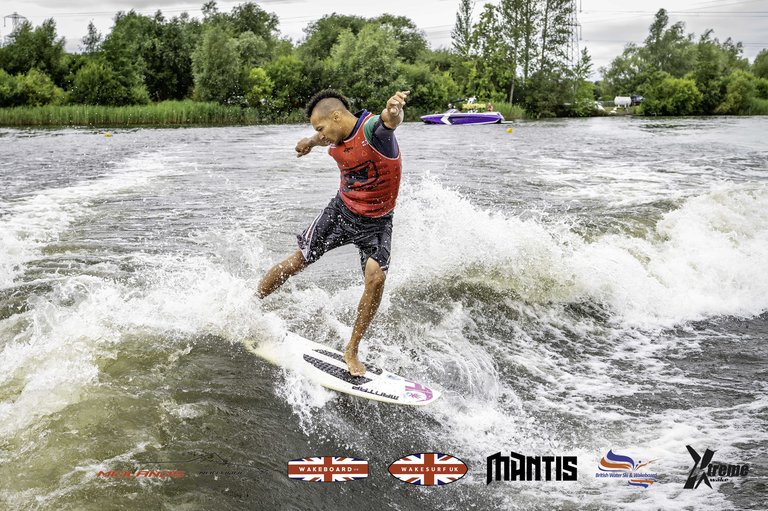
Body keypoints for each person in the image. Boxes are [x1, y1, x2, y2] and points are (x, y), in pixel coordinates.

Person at [257, 89, 410, 376]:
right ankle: (250, 304)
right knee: (297, 261)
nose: (320, 134)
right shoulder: (332, 134)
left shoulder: (374, 132)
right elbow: (319, 139)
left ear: (337, 116)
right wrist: (308, 142)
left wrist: (393, 111)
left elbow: (389, 121)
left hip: (376, 222)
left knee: (376, 279)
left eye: (320, 127)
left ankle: (351, 349)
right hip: (340, 212)